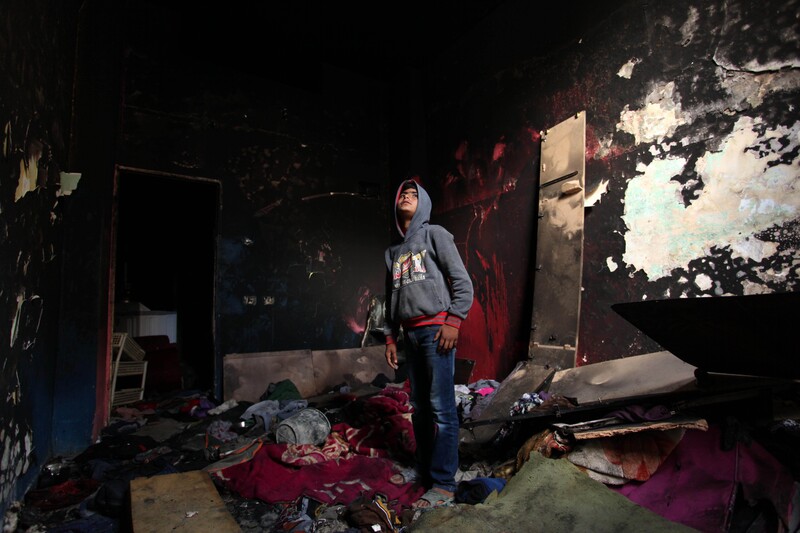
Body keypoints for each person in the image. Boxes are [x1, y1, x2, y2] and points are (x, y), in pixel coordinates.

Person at [382, 178, 474, 509]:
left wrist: (454, 321)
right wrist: (391, 337)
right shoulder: (392, 252)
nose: (406, 196)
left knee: (442, 410)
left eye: (413, 194)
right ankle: (423, 471)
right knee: (419, 409)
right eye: (402, 193)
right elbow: (389, 298)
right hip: (409, 334)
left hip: (437, 331)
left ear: (423, 204)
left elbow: (463, 283)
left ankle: (445, 483)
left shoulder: (435, 234)